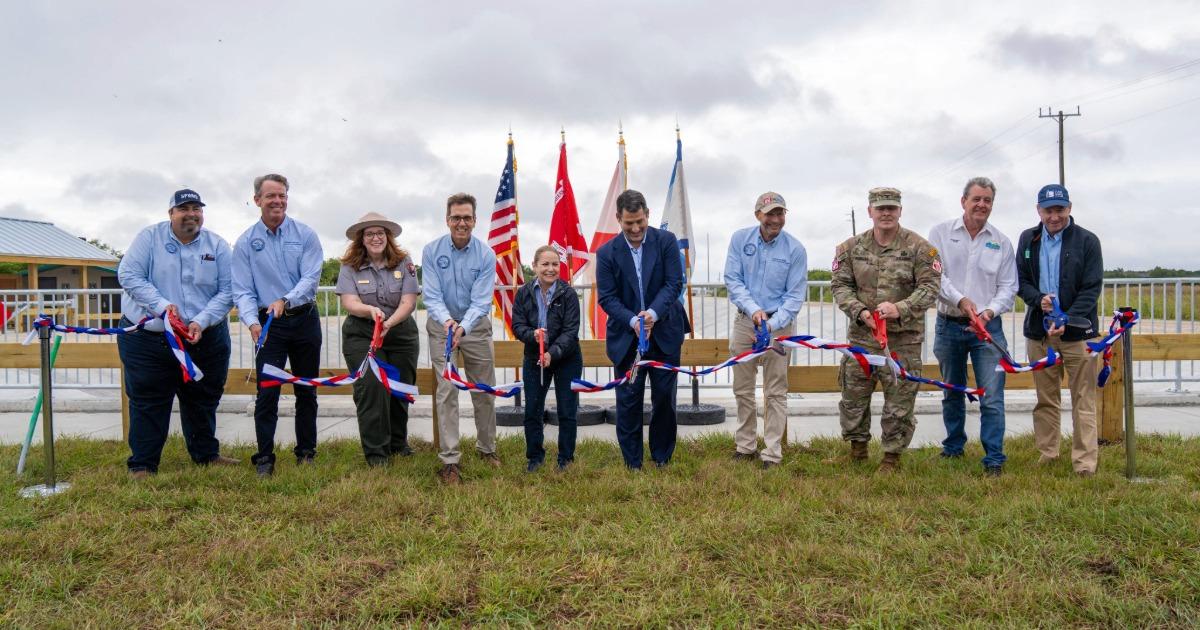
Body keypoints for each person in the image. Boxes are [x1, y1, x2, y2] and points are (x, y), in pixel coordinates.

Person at [116, 188, 238, 478]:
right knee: (148, 399)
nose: (191, 214)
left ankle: (206, 454)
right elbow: (129, 275)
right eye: (184, 209)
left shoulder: (218, 246)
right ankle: (143, 464)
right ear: (171, 213)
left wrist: (202, 320)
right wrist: (162, 307)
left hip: (204, 337)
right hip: (149, 338)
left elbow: (229, 289)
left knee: (204, 397)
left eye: (196, 208)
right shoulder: (149, 238)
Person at [831, 187, 941, 472]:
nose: (886, 213)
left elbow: (930, 287)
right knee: (854, 398)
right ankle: (857, 451)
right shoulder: (850, 248)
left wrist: (900, 308)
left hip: (902, 341)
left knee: (899, 402)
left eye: (892, 208)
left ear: (900, 210)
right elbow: (840, 286)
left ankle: (892, 457)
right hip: (862, 339)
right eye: (880, 208)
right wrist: (860, 312)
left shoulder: (921, 248)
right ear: (870, 212)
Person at [231, 174, 324, 478]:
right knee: (267, 393)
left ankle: (307, 452)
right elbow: (242, 289)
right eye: (271, 196)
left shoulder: (306, 234)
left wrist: (285, 299)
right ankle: (264, 459)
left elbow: (310, 279)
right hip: (270, 327)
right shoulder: (245, 242)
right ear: (257, 200)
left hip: (304, 319)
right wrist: (251, 321)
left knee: (306, 390)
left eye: (282, 195)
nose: (278, 201)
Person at [927, 177, 1018, 476]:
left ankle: (994, 458)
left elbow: (1008, 286)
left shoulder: (1002, 242)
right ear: (963, 201)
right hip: (949, 324)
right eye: (976, 199)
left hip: (988, 330)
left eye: (987, 200)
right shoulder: (940, 233)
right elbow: (936, 278)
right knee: (951, 390)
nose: (982, 205)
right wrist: (962, 301)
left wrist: (990, 311)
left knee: (991, 395)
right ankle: (953, 447)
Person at [596, 189, 690, 470]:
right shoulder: (606, 253)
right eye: (628, 223)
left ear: (648, 215)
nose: (635, 229)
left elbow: (674, 283)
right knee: (628, 400)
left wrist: (651, 314)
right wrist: (634, 321)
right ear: (618, 219)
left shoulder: (666, 242)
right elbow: (607, 298)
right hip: (627, 338)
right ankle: (632, 462)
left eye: (640, 221)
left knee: (664, 398)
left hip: (665, 333)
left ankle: (661, 457)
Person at [1016, 184, 1104, 477]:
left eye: (1059, 209)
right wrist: (1036, 299)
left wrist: (1070, 317)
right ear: (1038, 210)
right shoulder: (1028, 239)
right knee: (1046, 398)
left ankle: (1084, 463)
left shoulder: (1088, 241)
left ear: (1069, 208)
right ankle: (1048, 453)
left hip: (1079, 335)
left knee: (1084, 398)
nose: (1054, 216)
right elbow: (1022, 281)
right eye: (1048, 210)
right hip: (1040, 334)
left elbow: (1092, 287)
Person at [723, 191, 808, 470]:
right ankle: (745, 446)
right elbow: (733, 280)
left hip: (780, 326)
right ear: (758, 214)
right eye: (770, 213)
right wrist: (753, 310)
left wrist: (770, 323)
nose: (775, 219)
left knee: (775, 391)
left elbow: (795, 297)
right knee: (743, 389)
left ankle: (772, 451)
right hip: (746, 321)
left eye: (780, 213)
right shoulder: (740, 239)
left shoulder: (796, 250)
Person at [422, 192, 501, 484]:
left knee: (484, 390)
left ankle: (487, 449)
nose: (461, 223)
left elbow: (482, 302)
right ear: (447, 219)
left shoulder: (486, 254)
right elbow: (430, 295)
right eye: (456, 217)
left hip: (476, 327)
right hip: (441, 327)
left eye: (467, 217)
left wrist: (463, 327)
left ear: (475, 220)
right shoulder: (431, 251)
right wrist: (448, 323)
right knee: (447, 392)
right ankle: (450, 459)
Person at [334, 212, 420, 467]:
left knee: (400, 389)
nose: (375, 238)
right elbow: (349, 302)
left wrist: (389, 323)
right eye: (369, 233)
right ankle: (376, 453)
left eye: (380, 233)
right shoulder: (349, 266)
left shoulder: (404, 262)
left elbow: (409, 301)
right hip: (362, 333)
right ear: (361, 239)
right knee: (371, 389)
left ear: (388, 237)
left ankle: (397, 444)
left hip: (400, 332)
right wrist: (370, 312)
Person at [510, 245, 583, 473]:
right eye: (545, 264)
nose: (550, 269)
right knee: (532, 410)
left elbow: (571, 331)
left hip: (566, 358)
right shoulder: (523, 293)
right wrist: (531, 335)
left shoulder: (568, 294)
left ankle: (566, 459)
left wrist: (553, 353)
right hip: (534, 357)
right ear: (534, 266)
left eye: (554, 264)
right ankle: (535, 457)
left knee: (567, 410)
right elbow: (517, 325)